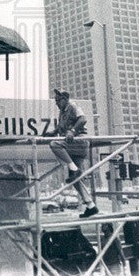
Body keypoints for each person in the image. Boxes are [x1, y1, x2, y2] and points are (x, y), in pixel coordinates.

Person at [45, 89, 99, 219]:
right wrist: (53, 132)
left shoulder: (73, 106)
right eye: (56, 101)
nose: (57, 103)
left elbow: (83, 119)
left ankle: (74, 169)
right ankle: (91, 206)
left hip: (78, 141)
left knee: (55, 145)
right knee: (75, 181)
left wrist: (73, 131)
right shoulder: (61, 113)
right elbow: (61, 127)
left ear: (65, 99)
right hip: (72, 146)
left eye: (59, 100)